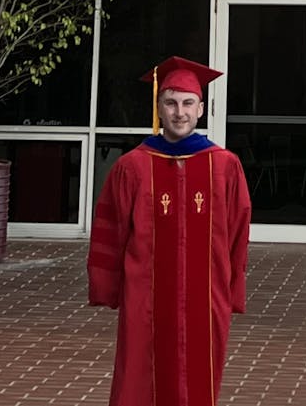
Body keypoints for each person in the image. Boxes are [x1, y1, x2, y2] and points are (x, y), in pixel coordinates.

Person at [87, 56, 253, 406]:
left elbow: (238, 232)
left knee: (200, 377)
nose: (180, 112)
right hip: (144, 297)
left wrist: (233, 287)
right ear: (159, 109)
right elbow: (111, 232)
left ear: (201, 109)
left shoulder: (224, 166)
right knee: (138, 379)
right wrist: (107, 286)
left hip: (206, 296)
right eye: (171, 103)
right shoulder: (133, 166)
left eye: (188, 103)